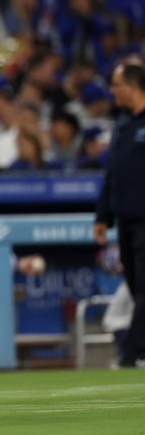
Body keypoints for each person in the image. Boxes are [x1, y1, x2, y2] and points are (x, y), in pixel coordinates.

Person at [94, 60, 145, 368]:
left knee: (144, 287)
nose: (112, 91)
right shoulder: (124, 124)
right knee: (136, 285)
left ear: (133, 85)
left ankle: (133, 354)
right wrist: (103, 217)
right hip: (127, 221)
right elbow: (112, 174)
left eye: (116, 84)